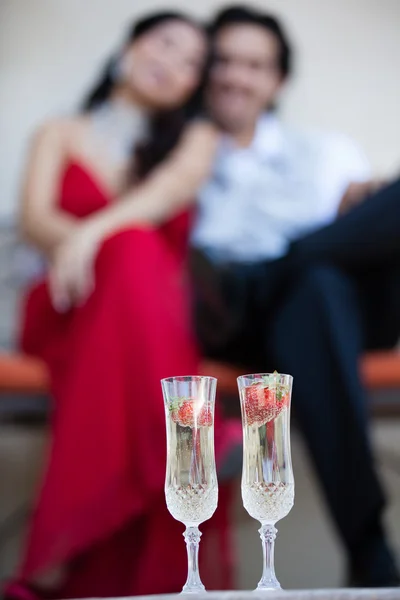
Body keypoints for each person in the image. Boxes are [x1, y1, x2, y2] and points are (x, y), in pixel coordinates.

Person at [4, 12, 236, 600]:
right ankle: (190, 448)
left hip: (151, 319)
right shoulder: (60, 132)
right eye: (167, 45)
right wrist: (86, 244)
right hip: (67, 306)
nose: (175, 66)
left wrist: (92, 232)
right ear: (132, 44)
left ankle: (58, 562)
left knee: (137, 248)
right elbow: (35, 221)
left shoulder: (195, 139)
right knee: (130, 248)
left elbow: (166, 195)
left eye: (192, 65)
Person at [191, 5, 400, 587]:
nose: (237, 76)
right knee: (314, 286)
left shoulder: (326, 153)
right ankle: (368, 547)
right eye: (224, 61)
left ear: (277, 80)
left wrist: (355, 212)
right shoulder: (181, 154)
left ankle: (286, 266)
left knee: (319, 282)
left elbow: (362, 237)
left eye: (254, 65)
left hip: (336, 314)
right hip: (238, 318)